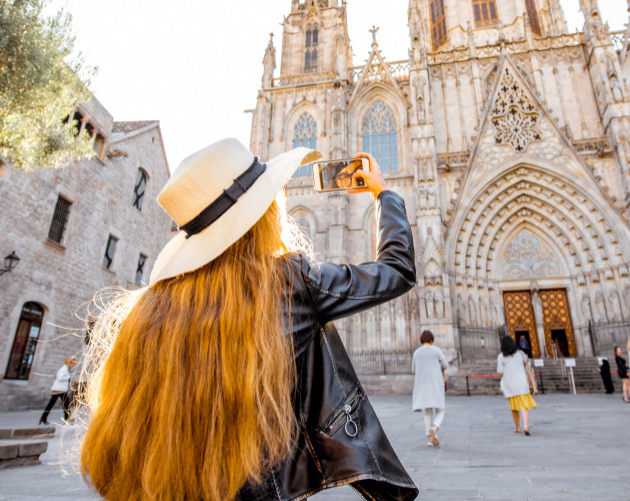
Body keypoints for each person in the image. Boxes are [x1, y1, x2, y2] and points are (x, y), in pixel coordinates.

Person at [79, 140, 419, 501]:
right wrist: (384, 194)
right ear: (261, 216)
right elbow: (396, 271)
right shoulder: (288, 283)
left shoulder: (151, 310)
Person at [412, 330, 448, 447]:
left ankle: (430, 438)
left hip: (423, 386)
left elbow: (413, 369)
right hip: (436, 384)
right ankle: (434, 428)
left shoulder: (417, 353)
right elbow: (445, 365)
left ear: (421, 340)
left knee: (427, 412)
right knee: (440, 409)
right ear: (431, 340)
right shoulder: (436, 350)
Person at [496, 335, 537, 435]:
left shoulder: (501, 356)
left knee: (514, 407)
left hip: (510, 384)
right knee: (524, 406)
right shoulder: (520, 353)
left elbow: (500, 371)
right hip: (521, 382)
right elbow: (528, 364)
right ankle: (525, 427)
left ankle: (517, 427)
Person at [39, 356, 74, 425]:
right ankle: (44, 418)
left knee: (65, 403)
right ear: (69, 362)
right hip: (59, 390)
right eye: (72, 363)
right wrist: (68, 377)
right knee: (63, 403)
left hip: (60, 389)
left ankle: (44, 418)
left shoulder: (65, 369)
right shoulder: (64, 369)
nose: (73, 364)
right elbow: (59, 378)